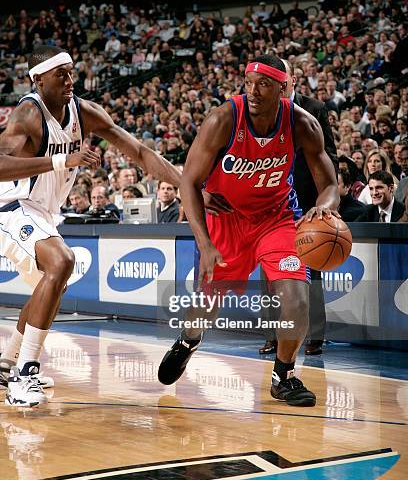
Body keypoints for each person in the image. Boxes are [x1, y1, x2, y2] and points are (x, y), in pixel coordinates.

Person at [0, 45, 180, 407]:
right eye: (60, 74)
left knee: (49, 289)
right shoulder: (27, 113)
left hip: (42, 212)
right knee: (61, 262)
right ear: (37, 79)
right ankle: (25, 374)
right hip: (10, 205)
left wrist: (191, 190)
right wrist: (61, 159)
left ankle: (7, 363)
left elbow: (142, 154)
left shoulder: (84, 112)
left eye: (71, 71)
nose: (70, 80)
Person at [158, 55, 339, 407]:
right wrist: (205, 243)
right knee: (207, 303)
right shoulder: (223, 119)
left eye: (264, 84)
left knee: (296, 298)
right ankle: (188, 340)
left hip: (278, 218)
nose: (253, 91)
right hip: (227, 220)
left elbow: (330, 184)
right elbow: (189, 183)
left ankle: (284, 375)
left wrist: (325, 207)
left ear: (284, 89)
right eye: (249, 82)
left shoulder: (303, 123)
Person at [259, 59, 338, 357]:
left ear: (291, 80)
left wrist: (325, 202)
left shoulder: (314, 108)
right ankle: (273, 335)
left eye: (281, 78)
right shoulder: (259, 110)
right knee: (269, 272)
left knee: (311, 267)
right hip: (270, 202)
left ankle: (315, 335)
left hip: (305, 200)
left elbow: (328, 155)